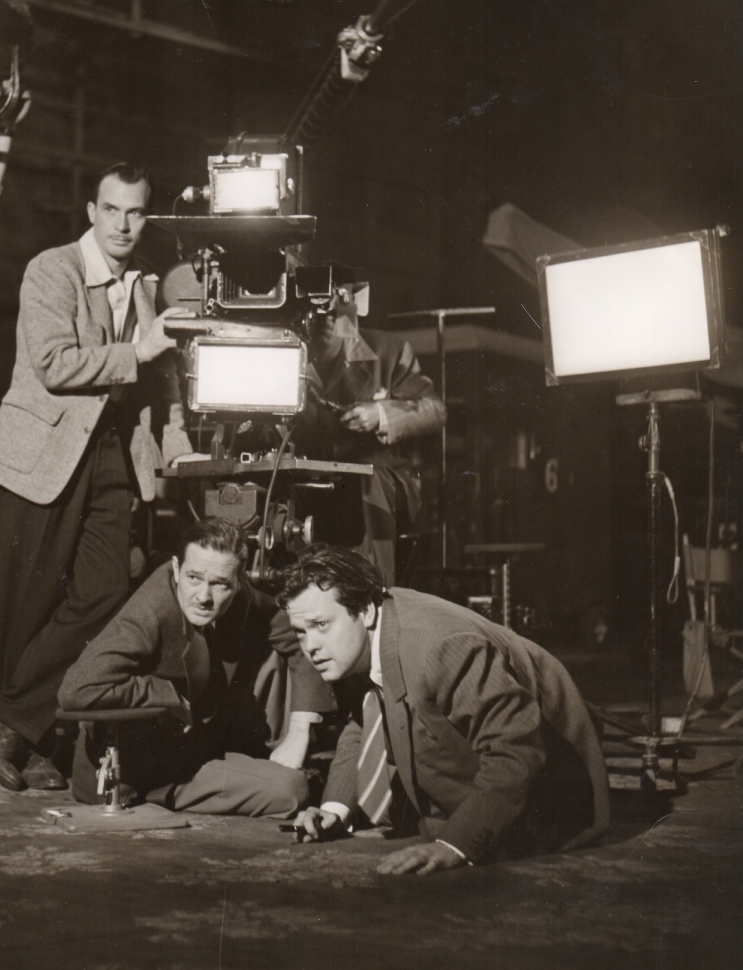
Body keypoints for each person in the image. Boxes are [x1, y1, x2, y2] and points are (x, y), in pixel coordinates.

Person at [0, 163, 193, 792]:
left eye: (136, 212)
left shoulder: (145, 286)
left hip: (111, 456)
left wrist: (174, 442)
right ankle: (26, 738)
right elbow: (51, 363)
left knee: (103, 593)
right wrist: (137, 351)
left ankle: (5, 717)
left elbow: (166, 377)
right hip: (42, 454)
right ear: (92, 212)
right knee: (28, 605)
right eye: (112, 210)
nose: (124, 224)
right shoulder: (53, 269)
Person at [281, 546, 610, 875]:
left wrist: (455, 845)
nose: (310, 646)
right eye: (301, 632)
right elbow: (365, 716)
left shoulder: (438, 647)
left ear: (365, 610)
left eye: (321, 624)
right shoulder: (359, 637)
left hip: (553, 801)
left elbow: (515, 747)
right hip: (467, 789)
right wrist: (334, 809)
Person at [58, 519, 334, 818]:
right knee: (292, 790)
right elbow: (75, 691)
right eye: (193, 578)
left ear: (240, 581)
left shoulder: (241, 597)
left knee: (291, 784)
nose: (204, 597)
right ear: (175, 568)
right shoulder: (148, 612)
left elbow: (298, 635)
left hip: (199, 746)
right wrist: (167, 695)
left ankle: (275, 760)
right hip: (133, 776)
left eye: (220, 584)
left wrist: (300, 729)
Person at [295, 297, 445, 585]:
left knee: (367, 479)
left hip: (377, 485)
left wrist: (380, 414)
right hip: (309, 482)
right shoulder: (284, 353)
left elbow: (435, 411)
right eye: (313, 312)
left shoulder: (388, 351)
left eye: (330, 312)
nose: (323, 321)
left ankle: (374, 590)